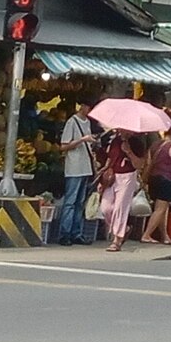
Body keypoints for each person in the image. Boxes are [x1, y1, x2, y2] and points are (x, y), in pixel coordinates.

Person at [98, 129, 147, 252]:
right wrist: (102, 178)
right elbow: (110, 159)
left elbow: (139, 164)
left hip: (127, 176)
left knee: (120, 208)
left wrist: (129, 152)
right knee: (105, 208)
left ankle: (117, 240)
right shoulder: (115, 140)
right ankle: (122, 229)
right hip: (113, 176)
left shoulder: (137, 143)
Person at [57, 100, 96, 246]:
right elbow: (64, 146)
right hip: (74, 168)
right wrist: (82, 140)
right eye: (89, 106)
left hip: (85, 167)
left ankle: (76, 233)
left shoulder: (88, 123)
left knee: (80, 203)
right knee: (70, 202)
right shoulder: (72, 122)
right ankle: (64, 234)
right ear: (82, 106)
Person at [140, 127, 171, 245]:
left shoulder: (154, 145)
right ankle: (146, 235)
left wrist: (145, 178)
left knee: (161, 210)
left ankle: (164, 236)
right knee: (160, 209)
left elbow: (148, 163)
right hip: (167, 180)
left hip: (153, 179)